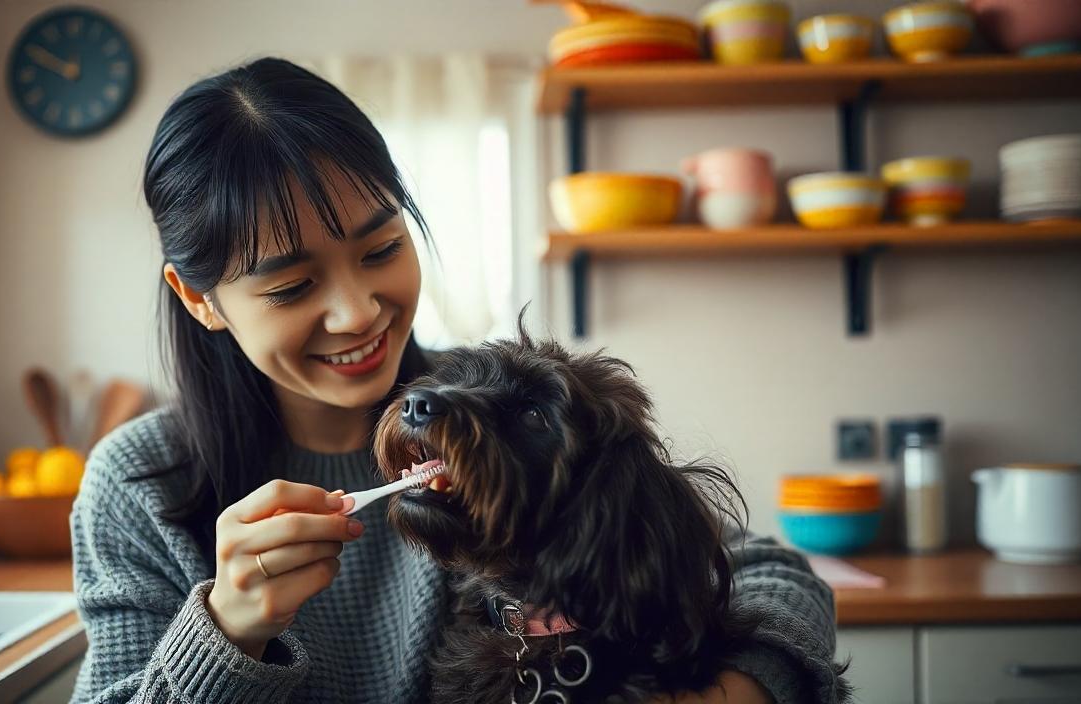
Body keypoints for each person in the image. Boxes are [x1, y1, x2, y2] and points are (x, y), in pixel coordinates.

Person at [70, 57, 846, 704]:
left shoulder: (494, 413)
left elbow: (763, 572)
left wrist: (748, 687)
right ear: (200, 298)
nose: (358, 312)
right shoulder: (141, 486)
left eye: (380, 250)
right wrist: (227, 630)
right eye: (292, 287)